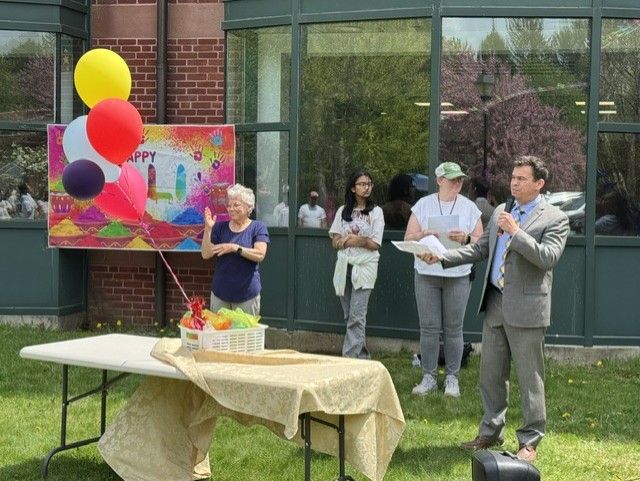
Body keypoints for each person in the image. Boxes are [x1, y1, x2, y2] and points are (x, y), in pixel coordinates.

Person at [420, 156, 569, 462]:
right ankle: (491, 430)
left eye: (521, 179)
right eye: (513, 177)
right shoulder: (501, 210)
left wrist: (517, 232)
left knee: (530, 378)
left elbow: (547, 258)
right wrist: (444, 257)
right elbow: (481, 249)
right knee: (490, 374)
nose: (514, 183)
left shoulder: (554, 218)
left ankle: (529, 440)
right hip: (496, 303)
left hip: (528, 309)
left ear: (539, 184)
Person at [404, 162, 483, 398]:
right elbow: (408, 238)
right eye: (452, 179)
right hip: (427, 273)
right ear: (439, 180)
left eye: (460, 178)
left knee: (453, 328)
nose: (457, 182)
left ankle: (452, 379)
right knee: (428, 328)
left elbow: (480, 241)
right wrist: (422, 235)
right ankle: (428, 377)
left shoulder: (470, 208)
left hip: (457, 274)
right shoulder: (423, 205)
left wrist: (467, 237)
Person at [329, 168, 384, 359]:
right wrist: (354, 240)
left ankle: (348, 360)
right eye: (362, 184)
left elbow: (374, 243)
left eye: (369, 184)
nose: (366, 188)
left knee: (356, 316)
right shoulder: (342, 211)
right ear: (353, 188)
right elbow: (335, 242)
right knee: (349, 316)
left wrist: (351, 240)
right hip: (344, 267)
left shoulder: (376, 212)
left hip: (365, 267)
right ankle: (363, 358)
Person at [201, 183, 270, 315]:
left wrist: (235, 248)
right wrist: (208, 229)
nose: (231, 209)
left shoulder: (258, 227)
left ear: (248, 206)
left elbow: (260, 254)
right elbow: (206, 254)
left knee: (244, 335)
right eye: (229, 205)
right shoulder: (220, 228)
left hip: (247, 294)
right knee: (220, 334)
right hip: (220, 293)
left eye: (236, 205)